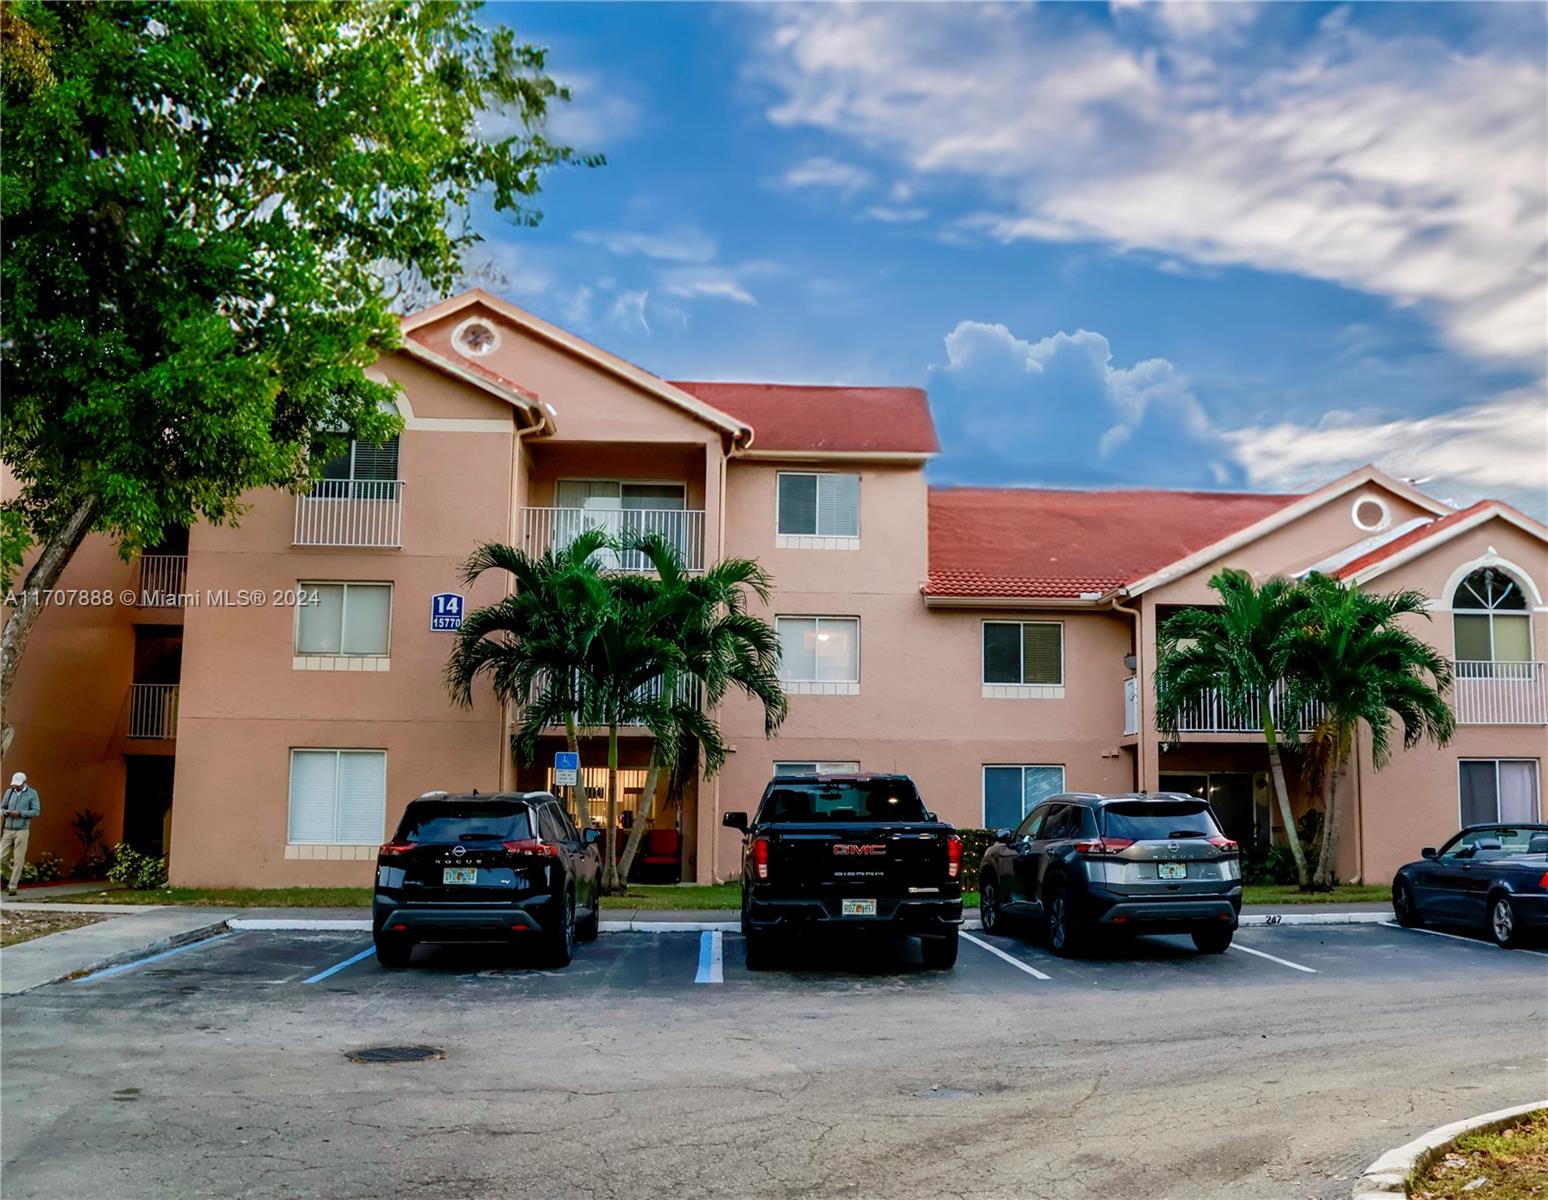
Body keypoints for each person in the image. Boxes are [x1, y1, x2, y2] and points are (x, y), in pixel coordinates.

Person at [1, 772, 41, 897]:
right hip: (8, 829)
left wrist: (21, 813)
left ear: (24, 783)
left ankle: (12, 886)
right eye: (14, 784)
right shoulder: (10, 792)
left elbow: (36, 812)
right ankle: (12, 875)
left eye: (18, 785)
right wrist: (7, 812)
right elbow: (1, 808)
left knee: (19, 859)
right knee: (1, 857)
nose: (16, 787)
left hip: (22, 830)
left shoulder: (32, 794)